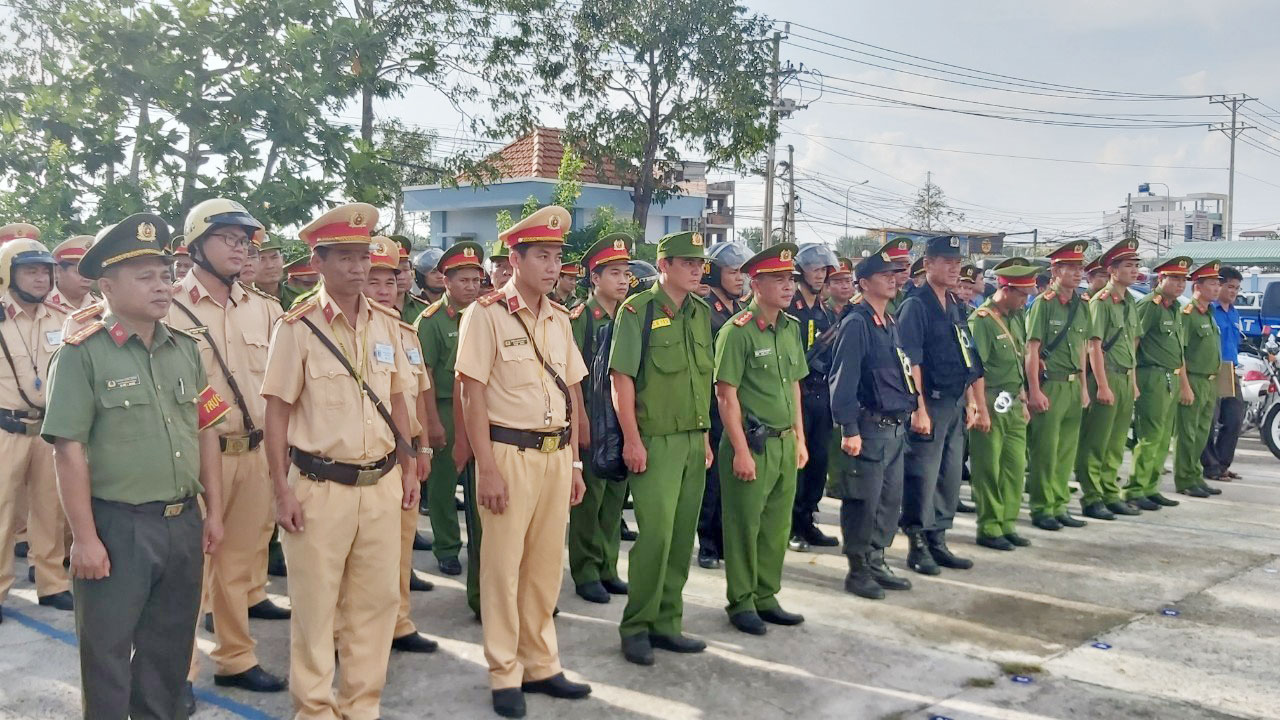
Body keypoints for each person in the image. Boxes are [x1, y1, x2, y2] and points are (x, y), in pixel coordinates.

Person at [41, 213, 227, 719]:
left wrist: (213, 511)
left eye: (165, 275)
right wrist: (83, 537)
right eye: (144, 277)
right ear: (105, 286)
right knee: (106, 655)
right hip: (117, 526)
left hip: (181, 522)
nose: (162, 286)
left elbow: (206, 430)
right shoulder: (82, 354)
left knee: (168, 653)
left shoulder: (186, 350)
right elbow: (68, 449)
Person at [262, 202, 421, 720]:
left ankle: (361, 706)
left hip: (380, 483)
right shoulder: (298, 327)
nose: (359, 268)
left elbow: (398, 399)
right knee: (314, 609)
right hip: (318, 487)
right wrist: (281, 492)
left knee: (374, 608)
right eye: (347, 258)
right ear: (320, 260)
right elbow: (277, 415)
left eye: (364, 257)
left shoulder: (388, 325)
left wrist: (410, 461)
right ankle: (313, 709)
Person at [455, 205, 591, 718]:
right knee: (502, 567)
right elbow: (472, 393)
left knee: (543, 568)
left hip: (556, 456)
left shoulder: (559, 318)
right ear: (515, 258)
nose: (552, 266)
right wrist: (485, 468)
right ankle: (503, 672)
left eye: (557, 256)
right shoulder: (485, 314)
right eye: (542, 255)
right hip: (508, 454)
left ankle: (542, 664)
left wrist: (576, 463)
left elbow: (572, 392)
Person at [167, 199, 289, 695]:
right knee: (188, 573)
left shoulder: (266, 310)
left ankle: (236, 658)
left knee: (239, 567)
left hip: (256, 453)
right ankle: (176, 675)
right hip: (197, 456)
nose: (241, 249)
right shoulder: (169, 306)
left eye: (246, 241)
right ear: (196, 245)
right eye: (228, 239)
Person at [610, 230, 713, 667]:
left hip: (693, 440)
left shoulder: (701, 312)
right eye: (687, 262)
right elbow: (622, 380)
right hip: (654, 442)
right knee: (654, 536)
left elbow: (700, 381)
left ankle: (668, 622)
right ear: (664, 264)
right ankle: (636, 626)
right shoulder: (638, 310)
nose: (695, 270)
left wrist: (705, 436)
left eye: (700, 264)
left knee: (681, 536)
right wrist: (632, 440)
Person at [712, 242, 810, 634]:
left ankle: (767, 595)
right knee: (744, 526)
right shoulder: (737, 332)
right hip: (752, 445)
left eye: (791, 279)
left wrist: (800, 438)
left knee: (775, 527)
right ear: (756, 283)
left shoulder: (791, 328)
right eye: (779, 279)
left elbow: (796, 389)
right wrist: (738, 450)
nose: (788, 287)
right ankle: (741, 601)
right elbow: (725, 394)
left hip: (785, 443)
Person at [829, 251, 918, 599]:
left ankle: (877, 558)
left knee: (888, 500)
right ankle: (858, 569)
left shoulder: (889, 321)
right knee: (863, 502)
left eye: (895, 274)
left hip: (894, 427)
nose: (893, 279)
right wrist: (849, 429)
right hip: (868, 428)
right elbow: (843, 381)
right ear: (864, 284)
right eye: (884, 275)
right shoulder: (857, 323)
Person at [895, 235, 982, 575]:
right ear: (927, 264)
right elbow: (910, 360)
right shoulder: (916, 305)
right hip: (928, 403)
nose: (953, 268)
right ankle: (917, 542)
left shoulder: (955, 304)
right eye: (946, 261)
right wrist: (918, 408)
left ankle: (938, 538)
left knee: (948, 477)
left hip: (955, 401)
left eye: (957, 263)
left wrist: (973, 401)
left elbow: (967, 355)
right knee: (923, 476)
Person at [0, 237, 73, 617]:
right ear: (8, 274)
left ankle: (52, 583)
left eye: (46, 270)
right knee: (1, 510)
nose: (42, 278)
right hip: (5, 428)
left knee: (51, 508)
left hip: (48, 428)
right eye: (31, 270)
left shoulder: (60, 319)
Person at [566, 234, 633, 603]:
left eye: (625, 273)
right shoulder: (580, 318)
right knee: (589, 500)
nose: (622, 281)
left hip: (620, 422)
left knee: (614, 499)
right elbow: (572, 376)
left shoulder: (628, 317)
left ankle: (608, 566)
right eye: (614, 273)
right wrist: (581, 423)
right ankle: (586, 570)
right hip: (592, 418)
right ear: (594, 277)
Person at [416, 241, 485, 581]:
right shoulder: (430, 321)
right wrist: (431, 423)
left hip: (480, 409)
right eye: (464, 281)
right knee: (444, 486)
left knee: (479, 484)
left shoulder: (485, 314)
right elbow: (424, 377)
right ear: (446, 282)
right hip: (443, 408)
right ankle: (446, 548)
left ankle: (482, 547)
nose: (471, 287)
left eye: (476, 280)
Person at [968, 263, 1039, 551]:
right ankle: (989, 525)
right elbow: (975, 369)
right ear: (1005, 289)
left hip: (1012, 400)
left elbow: (1018, 359)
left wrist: (1022, 396)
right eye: (1022, 294)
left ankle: (1008, 523)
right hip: (990, 399)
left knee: (1014, 466)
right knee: (989, 467)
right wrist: (979, 408)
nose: (1026, 300)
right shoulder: (982, 321)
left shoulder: (1016, 316)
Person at [1023, 241, 1091, 531]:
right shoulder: (1044, 304)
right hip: (1051, 384)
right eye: (1070, 268)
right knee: (1045, 450)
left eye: (1080, 268)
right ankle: (1042, 507)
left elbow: (1083, 349)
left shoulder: (1082, 305)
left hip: (1074, 384)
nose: (1077, 273)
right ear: (1055, 270)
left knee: (1065, 451)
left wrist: (1085, 388)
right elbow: (1031, 350)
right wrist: (1034, 391)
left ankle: (1059, 504)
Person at [1077, 238, 1142, 521]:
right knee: (1097, 441)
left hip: (1126, 377)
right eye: (1129, 265)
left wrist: (1134, 380)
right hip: (1108, 376)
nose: (1135, 270)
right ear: (1113, 270)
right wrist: (1101, 384)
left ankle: (1109, 492)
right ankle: (1092, 497)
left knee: (1116, 442)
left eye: (1136, 265)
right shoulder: (1101, 302)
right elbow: (1094, 345)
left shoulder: (1129, 302)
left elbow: (1133, 344)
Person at [1123, 257, 1193, 511]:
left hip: (1171, 376)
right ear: (1160, 279)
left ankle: (1151, 487)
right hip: (1151, 375)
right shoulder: (1150, 306)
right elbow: (1133, 343)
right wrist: (1133, 380)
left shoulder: (1174, 309)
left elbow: (1179, 350)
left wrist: (1184, 383)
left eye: (1183, 280)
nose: (1179, 284)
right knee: (1149, 435)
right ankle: (1135, 488)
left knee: (1164, 437)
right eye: (1173, 278)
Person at [698, 241, 751, 569]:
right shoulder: (704, 308)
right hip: (710, 403)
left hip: (735, 404)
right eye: (733, 272)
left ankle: (724, 538)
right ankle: (707, 542)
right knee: (712, 480)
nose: (740, 279)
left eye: (742, 273)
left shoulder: (739, 313)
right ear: (716, 274)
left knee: (730, 478)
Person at [788, 243, 840, 552]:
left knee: (819, 461)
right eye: (815, 269)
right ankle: (791, 525)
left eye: (824, 270)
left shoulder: (823, 310)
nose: (820, 275)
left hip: (822, 396)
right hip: (798, 395)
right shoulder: (790, 308)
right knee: (798, 462)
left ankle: (807, 519)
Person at [1175, 261, 1224, 499]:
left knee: (1204, 431)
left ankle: (1195, 475)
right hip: (1193, 379)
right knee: (1188, 433)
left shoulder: (1210, 314)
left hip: (1209, 381)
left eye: (1218, 284)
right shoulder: (1188, 314)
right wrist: (1184, 385)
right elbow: (1180, 353)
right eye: (1212, 284)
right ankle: (1184, 478)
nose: (1217, 289)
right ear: (1198, 286)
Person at [1201, 265, 1247, 483]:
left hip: (1231, 369)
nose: (1233, 292)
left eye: (1237, 288)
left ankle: (1223, 463)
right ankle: (1210, 466)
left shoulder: (1235, 312)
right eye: (1230, 287)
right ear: (1219, 286)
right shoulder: (1209, 310)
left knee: (1235, 418)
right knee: (1210, 419)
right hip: (1212, 369)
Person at [49, 235, 97, 311]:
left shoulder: (102, 306)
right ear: (58, 271)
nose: (87, 279)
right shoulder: (39, 305)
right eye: (79, 272)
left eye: (89, 272)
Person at [251, 234, 288, 307]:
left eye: (274, 257)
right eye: (262, 259)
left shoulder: (299, 298)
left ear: (282, 259)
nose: (270, 265)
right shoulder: (243, 301)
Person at [410, 247, 446, 312]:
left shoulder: (455, 304)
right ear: (421, 277)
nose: (440, 276)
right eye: (433, 272)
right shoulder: (412, 306)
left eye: (442, 271)